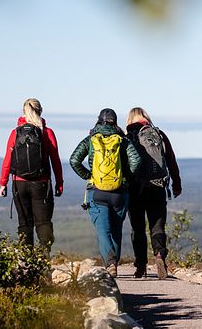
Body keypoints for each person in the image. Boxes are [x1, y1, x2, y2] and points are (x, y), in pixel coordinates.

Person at [70, 108, 141, 277]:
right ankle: (113, 263)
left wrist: (89, 175)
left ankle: (109, 263)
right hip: (120, 192)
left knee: (103, 231)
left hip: (98, 191)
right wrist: (125, 178)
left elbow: (74, 160)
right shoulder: (123, 141)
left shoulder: (90, 140)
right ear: (114, 122)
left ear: (98, 121)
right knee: (116, 230)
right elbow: (136, 160)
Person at [0, 98, 64, 255]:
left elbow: (7, 159)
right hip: (41, 183)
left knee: (24, 223)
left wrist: (3, 183)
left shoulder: (15, 133)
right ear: (40, 111)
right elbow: (55, 159)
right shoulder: (47, 133)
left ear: (23, 112)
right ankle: (44, 257)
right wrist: (59, 183)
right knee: (43, 222)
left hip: (19, 184)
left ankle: (27, 260)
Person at [126, 107, 182, 279]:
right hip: (157, 186)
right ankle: (159, 255)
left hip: (135, 189)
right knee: (157, 225)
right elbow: (171, 159)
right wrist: (176, 183)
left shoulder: (127, 138)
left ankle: (141, 265)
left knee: (138, 228)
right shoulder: (159, 135)